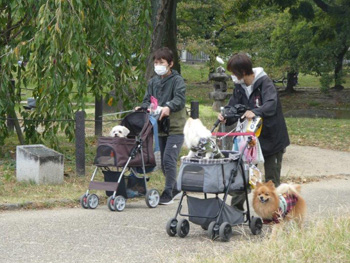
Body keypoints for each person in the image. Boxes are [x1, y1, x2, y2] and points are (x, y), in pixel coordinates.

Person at [218, 52, 290, 209]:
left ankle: (274, 213)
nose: (232, 76)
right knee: (242, 175)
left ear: (243, 72)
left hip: (272, 138)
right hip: (249, 141)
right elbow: (234, 106)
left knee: (271, 180)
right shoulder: (240, 87)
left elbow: (271, 104)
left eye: (233, 73)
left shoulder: (265, 83)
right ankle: (235, 210)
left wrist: (256, 111)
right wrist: (226, 116)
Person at [137, 47, 186, 205]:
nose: (158, 65)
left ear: (170, 64)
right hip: (159, 127)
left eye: (162, 62)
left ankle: (168, 192)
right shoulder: (153, 82)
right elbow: (147, 100)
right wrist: (143, 107)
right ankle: (176, 188)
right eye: (156, 62)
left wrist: (169, 107)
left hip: (175, 127)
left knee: (169, 160)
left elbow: (179, 99)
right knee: (163, 161)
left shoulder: (177, 80)